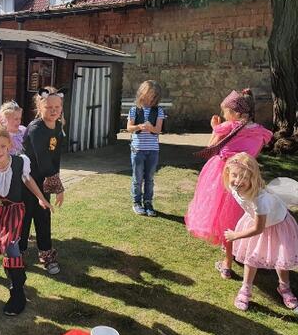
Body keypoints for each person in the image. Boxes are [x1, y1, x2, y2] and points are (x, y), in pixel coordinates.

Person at [185, 89, 272, 279]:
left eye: (226, 112)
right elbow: (253, 154)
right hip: (247, 178)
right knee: (244, 218)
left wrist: (215, 128)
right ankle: (244, 252)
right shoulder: (258, 131)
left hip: (223, 176)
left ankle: (226, 263)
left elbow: (211, 148)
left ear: (236, 113)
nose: (224, 115)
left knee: (225, 219)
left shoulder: (228, 127)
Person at [0, 123, 52, 315]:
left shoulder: (20, 162)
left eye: (2, 146)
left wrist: (40, 197)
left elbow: (27, 180)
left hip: (12, 212)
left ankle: (17, 292)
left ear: (9, 146)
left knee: (12, 248)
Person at [222, 153, 298, 311]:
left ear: (253, 178)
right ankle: (245, 289)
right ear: (228, 173)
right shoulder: (234, 187)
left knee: (280, 258)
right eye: (234, 175)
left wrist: (235, 235)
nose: (238, 181)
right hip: (255, 221)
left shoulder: (260, 199)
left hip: (277, 225)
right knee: (252, 258)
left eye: (244, 177)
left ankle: (284, 287)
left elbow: (258, 228)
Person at [20, 87, 66, 275]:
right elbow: (43, 160)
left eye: (57, 107)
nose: (54, 110)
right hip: (25, 181)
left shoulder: (57, 127)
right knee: (24, 217)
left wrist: (56, 179)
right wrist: (59, 187)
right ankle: (18, 254)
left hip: (44, 181)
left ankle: (46, 254)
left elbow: (55, 158)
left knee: (43, 216)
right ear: (40, 107)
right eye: (49, 107)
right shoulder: (36, 129)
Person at [126, 80, 165, 217]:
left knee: (149, 178)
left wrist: (150, 128)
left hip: (152, 150)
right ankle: (137, 203)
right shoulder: (134, 109)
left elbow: (158, 130)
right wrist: (139, 127)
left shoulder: (158, 110)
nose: (150, 96)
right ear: (142, 92)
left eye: (153, 94)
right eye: (148, 93)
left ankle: (148, 202)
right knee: (137, 178)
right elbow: (129, 128)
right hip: (137, 150)